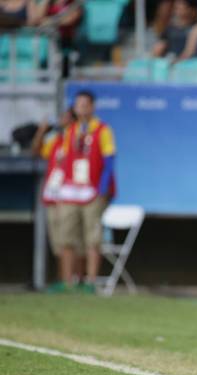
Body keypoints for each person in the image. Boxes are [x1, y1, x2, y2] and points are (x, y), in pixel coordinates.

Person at [57, 90, 116, 294]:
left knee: (92, 237)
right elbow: (65, 159)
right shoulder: (70, 130)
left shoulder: (102, 130)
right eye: (77, 104)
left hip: (92, 191)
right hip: (71, 191)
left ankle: (90, 282)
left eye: (84, 104)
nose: (80, 108)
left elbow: (109, 161)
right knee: (67, 236)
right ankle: (68, 282)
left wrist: (102, 188)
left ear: (92, 107)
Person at [31, 109, 85, 292]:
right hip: (53, 195)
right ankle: (64, 280)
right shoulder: (56, 141)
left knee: (70, 241)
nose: (60, 120)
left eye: (64, 117)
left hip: (69, 196)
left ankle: (75, 281)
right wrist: (41, 131)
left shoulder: (77, 137)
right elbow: (35, 150)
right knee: (58, 244)